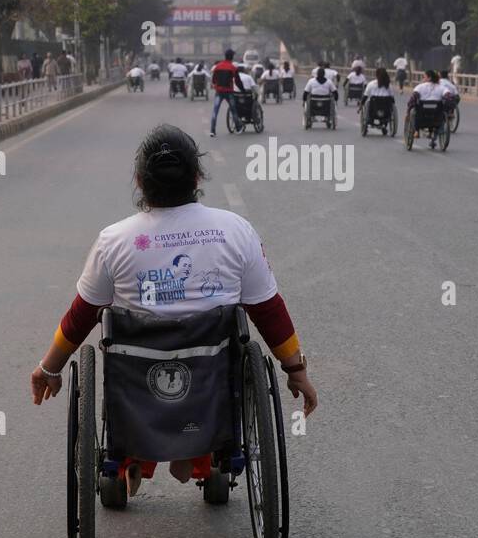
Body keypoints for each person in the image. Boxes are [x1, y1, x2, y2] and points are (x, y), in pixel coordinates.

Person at [30, 125, 317, 495]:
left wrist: (49, 368)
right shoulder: (236, 231)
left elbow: (82, 315)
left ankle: (136, 455)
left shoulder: (114, 241)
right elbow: (268, 310)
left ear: (139, 181)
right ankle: (204, 453)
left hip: (140, 392)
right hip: (210, 391)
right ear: (197, 177)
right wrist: (295, 371)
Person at [210, 49, 246, 137]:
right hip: (229, 92)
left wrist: (217, 85)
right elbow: (238, 81)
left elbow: (214, 80)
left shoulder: (217, 67)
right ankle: (238, 128)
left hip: (219, 91)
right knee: (234, 111)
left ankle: (212, 131)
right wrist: (243, 90)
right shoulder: (233, 67)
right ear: (232, 57)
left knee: (215, 111)